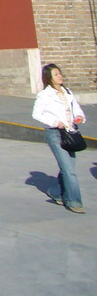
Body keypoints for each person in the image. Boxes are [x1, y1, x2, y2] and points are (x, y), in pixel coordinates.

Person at [32, 63, 87, 214]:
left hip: (71, 132)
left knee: (68, 167)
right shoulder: (44, 95)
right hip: (55, 133)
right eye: (56, 74)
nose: (60, 76)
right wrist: (55, 122)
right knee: (69, 170)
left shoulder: (67, 91)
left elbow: (75, 107)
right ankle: (73, 201)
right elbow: (36, 114)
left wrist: (80, 117)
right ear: (49, 78)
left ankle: (56, 192)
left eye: (60, 73)